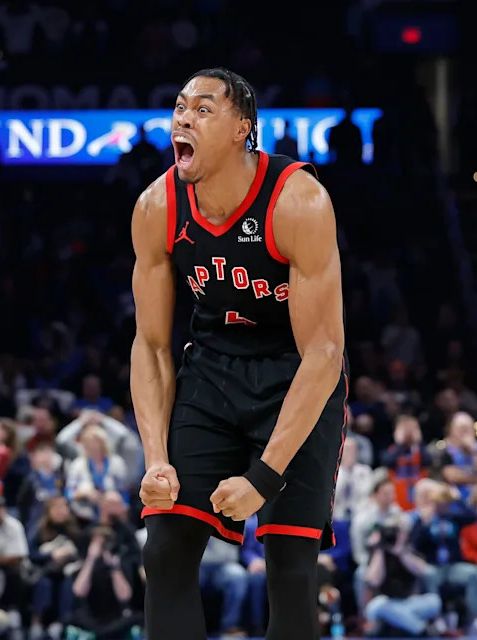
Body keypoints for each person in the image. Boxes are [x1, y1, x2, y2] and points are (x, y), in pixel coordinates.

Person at [131, 67, 348, 640]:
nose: (184, 118)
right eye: (179, 107)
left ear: (241, 131)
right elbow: (151, 345)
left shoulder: (298, 200)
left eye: (203, 109)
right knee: (166, 549)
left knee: (290, 568)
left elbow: (325, 351)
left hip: (295, 376)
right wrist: (155, 457)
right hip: (211, 370)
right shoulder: (157, 207)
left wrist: (264, 475)